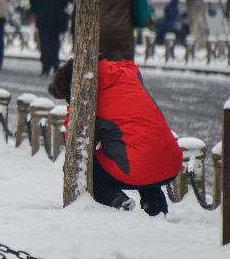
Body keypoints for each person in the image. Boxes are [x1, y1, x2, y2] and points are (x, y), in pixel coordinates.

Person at [49, 58, 180, 216]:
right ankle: (156, 208)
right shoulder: (127, 74)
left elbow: (77, 141)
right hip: (171, 162)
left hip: (139, 168)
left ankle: (117, 202)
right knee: (140, 146)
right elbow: (127, 64)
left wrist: (73, 107)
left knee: (83, 168)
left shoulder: (89, 101)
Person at [29, 0, 69, 76]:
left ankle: (46, 65)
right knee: (55, 40)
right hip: (57, 15)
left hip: (42, 15)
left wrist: (35, 11)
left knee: (45, 40)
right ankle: (55, 62)